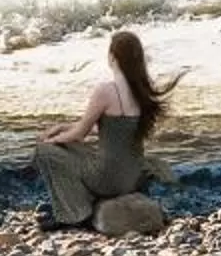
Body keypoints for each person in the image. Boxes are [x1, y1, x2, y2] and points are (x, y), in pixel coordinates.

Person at [32, 30, 176, 232]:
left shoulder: (106, 90)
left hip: (107, 178)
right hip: (132, 177)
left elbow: (79, 135)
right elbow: (106, 131)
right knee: (75, 149)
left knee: (45, 152)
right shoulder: (142, 92)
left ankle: (73, 214)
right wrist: (62, 129)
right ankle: (87, 206)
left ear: (113, 57)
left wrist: (50, 142)